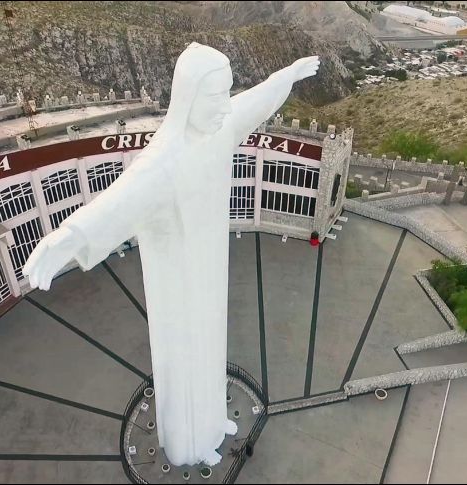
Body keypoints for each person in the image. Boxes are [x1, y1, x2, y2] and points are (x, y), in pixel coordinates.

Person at [24, 42, 319, 466]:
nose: (225, 105)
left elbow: (254, 101)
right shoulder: (162, 164)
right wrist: (64, 240)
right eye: (215, 97)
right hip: (178, 289)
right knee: (186, 363)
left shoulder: (220, 127)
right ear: (188, 98)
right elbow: (114, 205)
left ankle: (216, 425)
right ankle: (189, 445)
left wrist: (285, 76)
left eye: (226, 93)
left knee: (212, 352)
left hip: (210, 270)